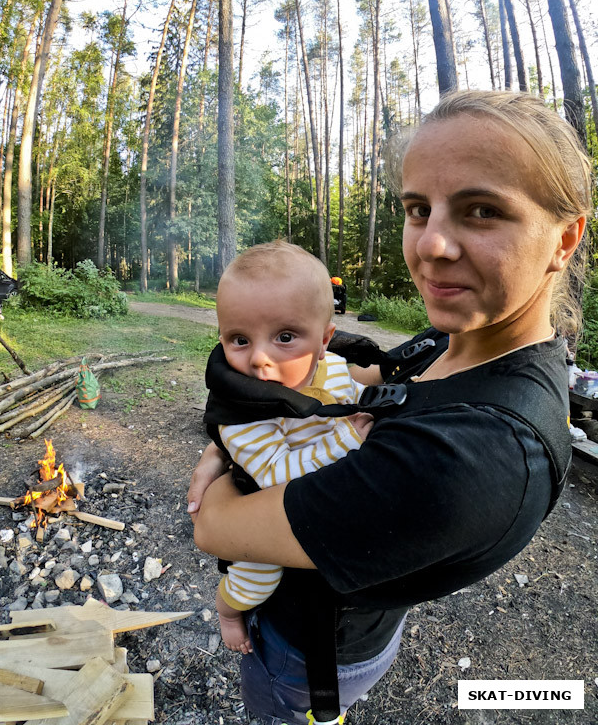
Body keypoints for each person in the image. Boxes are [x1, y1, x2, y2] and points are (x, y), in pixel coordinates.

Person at [188, 90, 591, 725]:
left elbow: (213, 525)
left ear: (564, 238)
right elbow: (338, 378)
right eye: (417, 209)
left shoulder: (477, 455)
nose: (431, 245)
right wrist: (230, 435)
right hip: (352, 624)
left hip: (308, 655)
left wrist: (231, 447)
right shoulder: (453, 341)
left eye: (481, 211)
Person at [211, 242, 373, 656]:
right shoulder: (241, 412)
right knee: (258, 578)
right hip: (264, 509)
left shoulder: (334, 368)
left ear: (324, 340)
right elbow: (274, 475)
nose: (260, 359)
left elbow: (353, 396)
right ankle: (228, 611)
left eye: (285, 337)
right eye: (239, 340)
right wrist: (344, 442)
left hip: (322, 488)